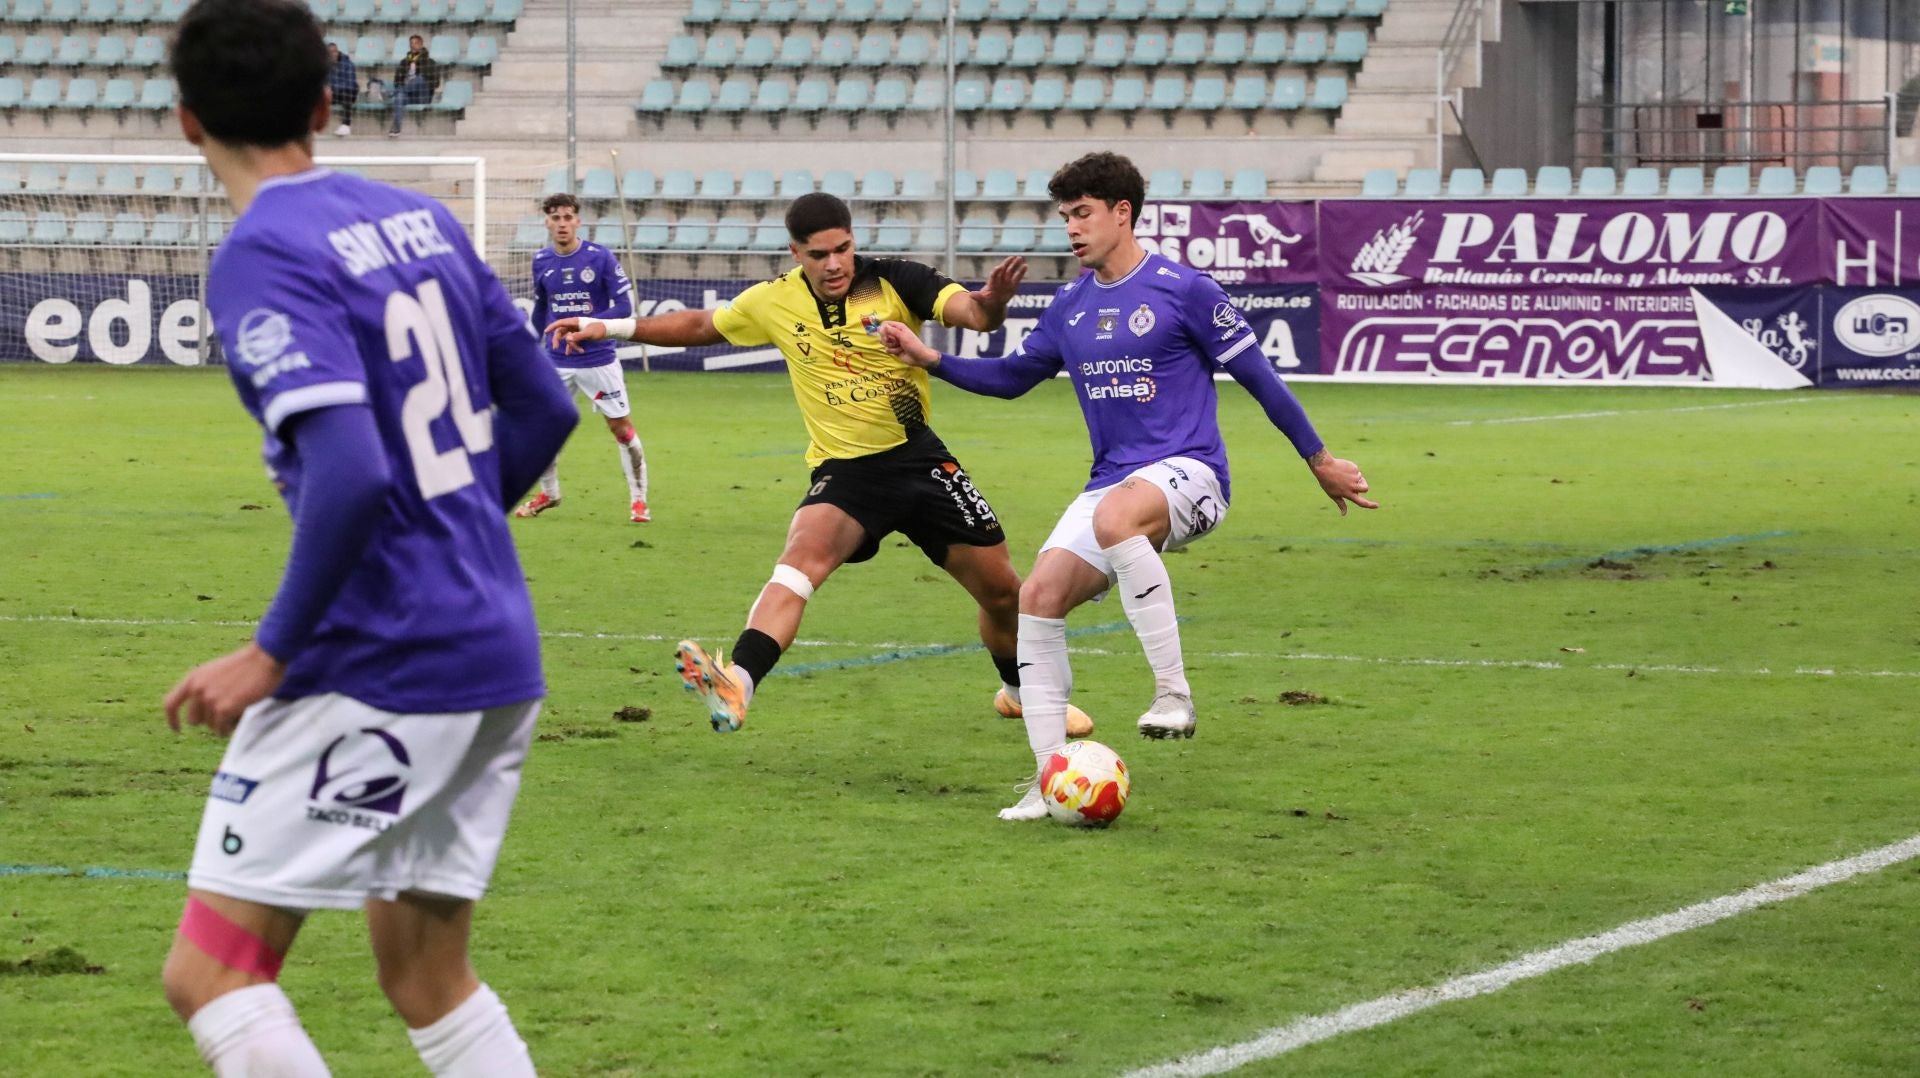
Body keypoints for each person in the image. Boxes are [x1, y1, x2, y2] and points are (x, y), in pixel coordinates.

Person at [159, 2, 578, 1074]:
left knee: (212, 972)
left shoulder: (262, 253)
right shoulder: (423, 220)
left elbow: (349, 469)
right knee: (424, 973)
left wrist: (272, 650)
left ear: (187, 122)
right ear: (321, 103)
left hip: (378, 661)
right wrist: (457, 533)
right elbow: (543, 408)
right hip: (494, 646)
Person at [877, 151, 1376, 820]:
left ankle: (1174, 694)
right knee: (1037, 599)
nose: (1072, 229)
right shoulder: (1071, 305)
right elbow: (1014, 379)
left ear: (1122, 213)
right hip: (1113, 481)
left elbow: (1261, 377)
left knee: (1116, 519)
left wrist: (1318, 459)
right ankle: (1048, 778)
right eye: (1064, 217)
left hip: (1192, 473)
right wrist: (929, 358)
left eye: (1083, 214)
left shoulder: (1185, 289)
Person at [547, 192, 1087, 741]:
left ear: (854, 241)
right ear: (795, 253)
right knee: (797, 565)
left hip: (920, 458)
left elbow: (973, 314)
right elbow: (701, 326)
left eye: (843, 249)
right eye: (818, 254)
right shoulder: (774, 300)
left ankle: (1019, 695)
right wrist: (609, 327)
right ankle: (737, 681)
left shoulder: (897, 280)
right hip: (846, 471)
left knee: (1002, 593)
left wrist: (993, 301)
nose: (834, 264)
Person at [517, 192, 652, 522]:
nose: (562, 224)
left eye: (567, 217)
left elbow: (623, 308)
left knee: (620, 429)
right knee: (543, 430)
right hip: (555, 361)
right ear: (547, 223)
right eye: (555, 218)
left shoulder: (600, 257)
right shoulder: (541, 261)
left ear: (578, 221)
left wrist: (586, 327)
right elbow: (541, 310)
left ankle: (639, 501)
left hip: (598, 360)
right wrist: (534, 351)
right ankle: (549, 493)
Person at [387, 33, 437, 137]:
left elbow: (436, 83)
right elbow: (397, 81)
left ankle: (391, 94)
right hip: (409, 95)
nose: (413, 46)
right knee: (400, 97)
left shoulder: (430, 62)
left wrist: (420, 80)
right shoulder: (404, 62)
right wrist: (403, 83)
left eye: (416, 43)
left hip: (423, 95)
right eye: (411, 43)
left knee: (419, 79)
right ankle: (396, 127)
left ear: (421, 45)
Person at [325, 42, 356, 137]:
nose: (333, 54)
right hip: (331, 94)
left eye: (335, 51)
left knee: (348, 92)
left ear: (338, 52)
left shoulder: (348, 64)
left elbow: (350, 84)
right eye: (330, 52)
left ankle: (346, 125)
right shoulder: (324, 65)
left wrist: (333, 88)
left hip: (345, 94)